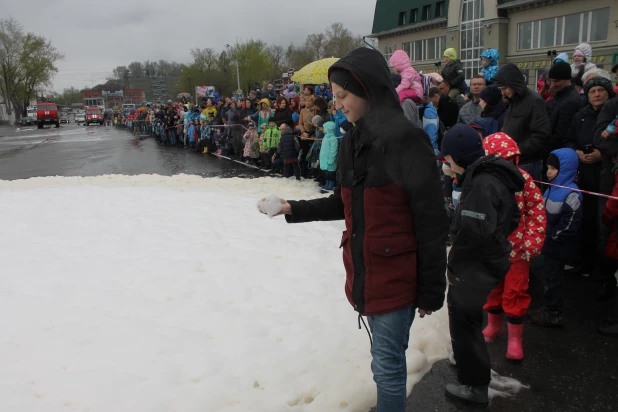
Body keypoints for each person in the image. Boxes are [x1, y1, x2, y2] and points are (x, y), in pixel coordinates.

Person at [260, 47, 448, 412]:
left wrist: (430, 291)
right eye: (335, 96)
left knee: (388, 367)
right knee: (384, 361)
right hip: (364, 272)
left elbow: (431, 221)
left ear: (368, 89)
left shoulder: (407, 141)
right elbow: (341, 203)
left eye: (343, 95)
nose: (338, 103)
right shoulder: (351, 142)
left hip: (396, 276)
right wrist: (290, 207)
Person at [438, 124, 524, 404]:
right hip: (487, 261)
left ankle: (474, 385)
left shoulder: (482, 184)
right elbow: (512, 218)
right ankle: (470, 365)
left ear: (459, 157)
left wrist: (457, 267)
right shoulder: (488, 176)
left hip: (473, 268)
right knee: (469, 322)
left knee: (465, 323)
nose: (446, 165)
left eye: (448, 159)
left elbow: (474, 234)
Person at [481, 133, 546, 361]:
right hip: (492, 250)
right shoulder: (484, 182)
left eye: (510, 160)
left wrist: (533, 240)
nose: (507, 165)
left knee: (516, 291)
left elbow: (536, 210)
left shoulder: (524, 179)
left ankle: (515, 338)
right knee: (492, 288)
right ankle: (494, 325)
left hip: (519, 250)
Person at [563, 77, 615, 281]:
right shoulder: (580, 116)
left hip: (608, 178)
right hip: (584, 178)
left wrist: (601, 156)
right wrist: (576, 152)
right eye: (593, 91)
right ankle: (584, 264)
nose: (597, 94)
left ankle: (606, 273)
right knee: (584, 222)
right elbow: (568, 140)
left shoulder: (613, 117)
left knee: (604, 227)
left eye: (601, 90)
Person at [529, 149, 582, 327]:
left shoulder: (571, 193)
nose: (548, 172)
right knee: (548, 277)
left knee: (553, 280)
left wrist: (554, 236)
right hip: (549, 244)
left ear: (565, 170)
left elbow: (570, 222)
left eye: (553, 168)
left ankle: (554, 312)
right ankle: (549, 306)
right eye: (548, 168)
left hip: (558, 246)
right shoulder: (551, 189)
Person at [493, 64, 552, 182]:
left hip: (527, 162)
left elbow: (541, 135)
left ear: (513, 84)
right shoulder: (514, 100)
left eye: (504, 89)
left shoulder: (533, 101)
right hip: (513, 159)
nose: (503, 93)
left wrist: (516, 150)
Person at [545, 61, 583, 150]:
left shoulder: (571, 101)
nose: (553, 85)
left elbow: (561, 134)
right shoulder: (561, 96)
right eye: (551, 81)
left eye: (557, 81)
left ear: (567, 80)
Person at [318, 121, 339, 191]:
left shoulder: (333, 139)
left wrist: (331, 159)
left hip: (330, 160)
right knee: (326, 173)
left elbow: (333, 150)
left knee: (331, 174)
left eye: (324, 128)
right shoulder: (325, 137)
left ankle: (331, 184)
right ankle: (327, 183)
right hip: (324, 159)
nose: (323, 129)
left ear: (328, 129)